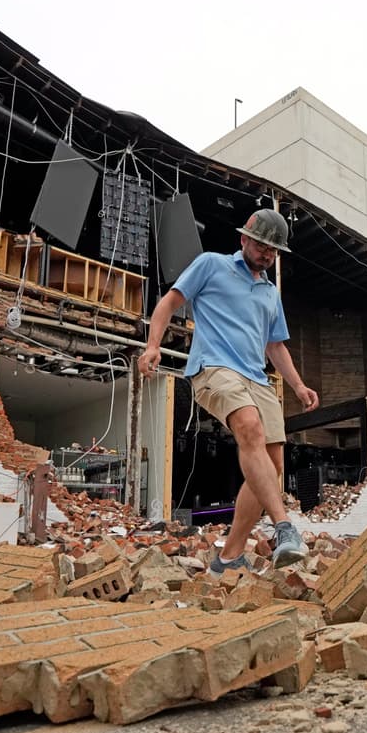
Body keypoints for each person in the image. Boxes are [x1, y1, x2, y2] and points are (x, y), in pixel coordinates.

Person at [139, 209, 319, 574]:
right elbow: (170, 302)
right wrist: (152, 345)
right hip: (214, 368)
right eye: (260, 244)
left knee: (272, 466)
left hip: (257, 377)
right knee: (249, 427)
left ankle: (228, 557)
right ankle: (285, 529)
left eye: (273, 249)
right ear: (243, 239)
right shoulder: (211, 265)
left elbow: (276, 346)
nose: (266, 253)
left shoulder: (270, 292)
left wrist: (298, 385)